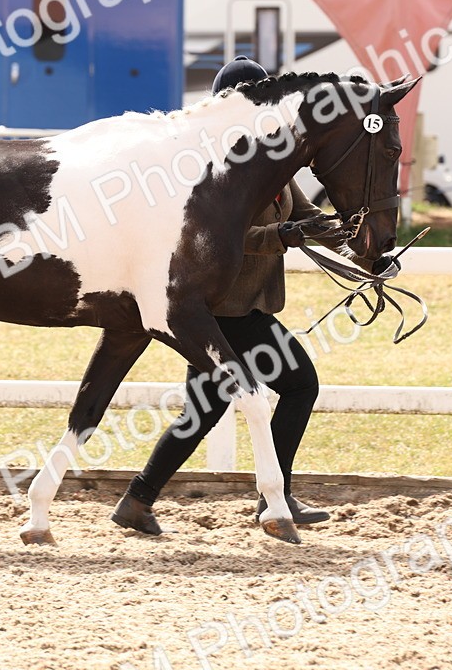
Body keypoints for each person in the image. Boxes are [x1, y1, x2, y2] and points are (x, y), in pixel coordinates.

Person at [111, 57, 366, 535]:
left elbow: (305, 217)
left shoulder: (273, 164)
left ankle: (137, 500)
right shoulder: (212, 167)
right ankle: (277, 497)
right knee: (299, 385)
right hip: (223, 308)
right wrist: (281, 236)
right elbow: (223, 237)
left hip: (248, 306)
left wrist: (353, 240)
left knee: (203, 411)